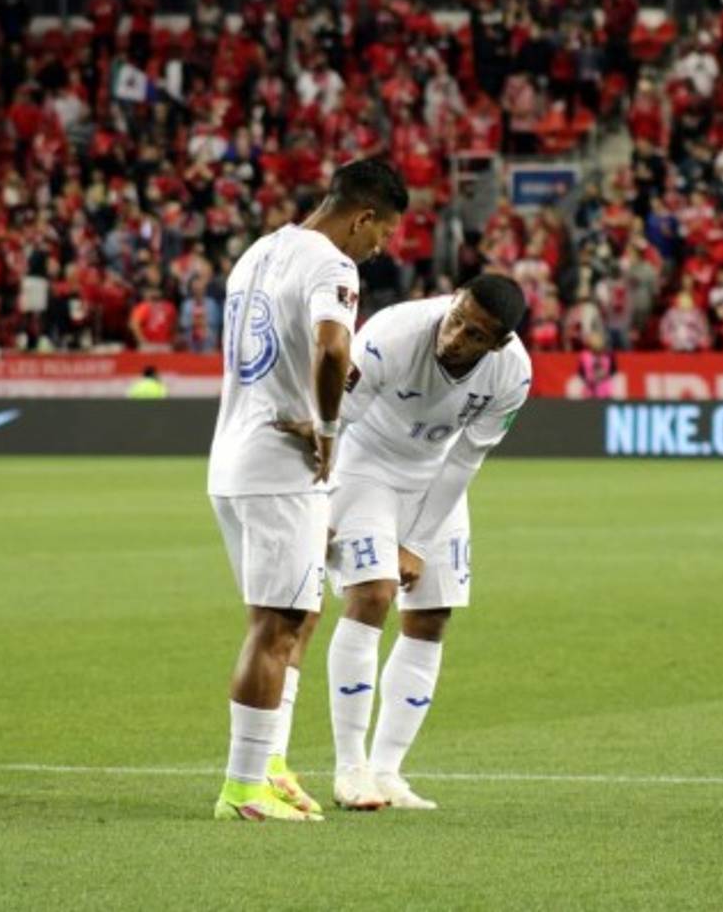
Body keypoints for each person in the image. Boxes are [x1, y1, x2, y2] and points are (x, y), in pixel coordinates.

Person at [205, 159, 407, 823]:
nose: (376, 251)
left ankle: (267, 763)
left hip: (233, 455)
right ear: (363, 216)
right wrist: (327, 428)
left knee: (297, 611)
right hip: (281, 465)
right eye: (379, 236)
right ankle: (243, 790)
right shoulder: (332, 265)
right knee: (276, 624)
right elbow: (331, 349)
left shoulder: (259, 252)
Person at [283, 275, 531, 811]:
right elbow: (336, 420)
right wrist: (320, 501)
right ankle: (350, 770)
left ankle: (388, 771)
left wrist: (416, 542)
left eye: (475, 334)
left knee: (431, 615)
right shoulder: (393, 332)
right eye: (457, 316)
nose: (456, 335)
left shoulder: (514, 372)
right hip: (366, 465)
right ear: (454, 298)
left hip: (435, 478)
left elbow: (467, 457)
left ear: (499, 343)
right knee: (373, 592)